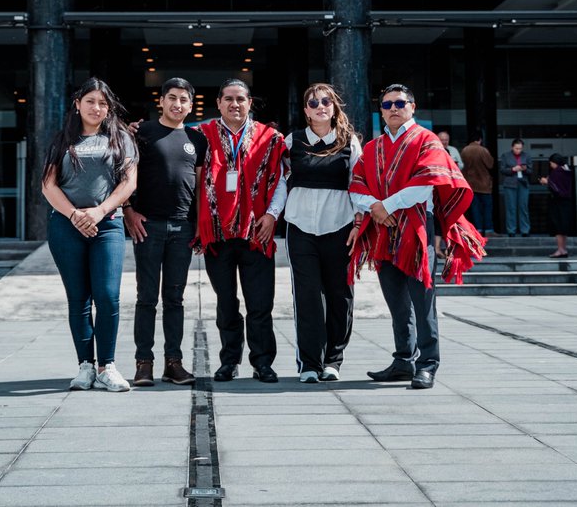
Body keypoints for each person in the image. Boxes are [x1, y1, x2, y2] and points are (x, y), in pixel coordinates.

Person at [349, 84, 485, 390]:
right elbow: (356, 185)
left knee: (423, 302)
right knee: (396, 303)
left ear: (413, 107)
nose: (393, 109)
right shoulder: (372, 147)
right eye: (387, 105)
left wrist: (384, 206)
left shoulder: (427, 140)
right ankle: (403, 361)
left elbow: (426, 184)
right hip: (383, 228)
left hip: (416, 227)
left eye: (400, 103)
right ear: (380, 111)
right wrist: (374, 207)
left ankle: (427, 364)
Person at [40, 78, 138, 392]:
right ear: (77, 104)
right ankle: (85, 366)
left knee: (107, 296)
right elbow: (48, 186)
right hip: (66, 226)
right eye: (90, 101)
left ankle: (107, 367)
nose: (96, 108)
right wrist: (75, 215)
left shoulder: (120, 138)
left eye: (102, 103)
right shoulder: (62, 140)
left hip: (107, 224)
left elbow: (129, 182)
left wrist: (99, 212)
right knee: (79, 298)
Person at [194, 79, 288, 383]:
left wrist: (272, 215)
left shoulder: (270, 138)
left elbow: (281, 179)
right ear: (218, 103)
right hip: (217, 233)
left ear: (250, 103)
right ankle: (229, 361)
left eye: (241, 99)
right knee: (226, 303)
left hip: (256, 232)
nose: (235, 104)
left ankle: (263, 362)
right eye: (229, 99)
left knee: (260, 303)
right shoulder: (201, 135)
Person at [124, 78, 206, 387]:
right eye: (171, 97)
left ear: (191, 105)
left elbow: (200, 187)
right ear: (161, 101)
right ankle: (143, 363)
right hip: (149, 227)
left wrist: (199, 225)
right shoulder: (141, 133)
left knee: (175, 298)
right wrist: (128, 211)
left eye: (183, 99)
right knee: (146, 298)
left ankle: (174, 363)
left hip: (182, 227)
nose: (177, 104)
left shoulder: (196, 139)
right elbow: (124, 175)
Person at [281, 83, 362, 384]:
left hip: (340, 227)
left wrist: (358, 223)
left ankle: (333, 360)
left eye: (326, 101)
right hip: (300, 227)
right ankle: (310, 363)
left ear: (334, 107)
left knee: (340, 295)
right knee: (307, 296)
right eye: (313, 103)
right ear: (306, 110)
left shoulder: (349, 141)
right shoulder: (292, 140)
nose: (320, 107)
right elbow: (278, 180)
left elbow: (359, 183)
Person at [540, 153, 574, 258]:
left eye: (551, 163)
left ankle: (560, 250)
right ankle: (563, 249)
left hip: (558, 202)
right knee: (564, 226)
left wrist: (547, 181)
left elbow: (555, 187)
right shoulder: (567, 170)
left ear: (555, 162)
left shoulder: (557, 172)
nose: (550, 165)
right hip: (567, 201)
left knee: (558, 226)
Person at [461, 133, 495, 236]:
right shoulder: (482, 150)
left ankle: (478, 229)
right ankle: (488, 230)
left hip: (470, 183)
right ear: (480, 140)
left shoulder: (465, 150)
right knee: (487, 208)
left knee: (475, 208)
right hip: (483, 184)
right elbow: (490, 164)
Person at [498, 139, 532, 237]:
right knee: (511, 208)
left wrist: (525, 169)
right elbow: (502, 170)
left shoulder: (526, 156)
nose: (518, 150)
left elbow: (530, 171)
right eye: (516, 148)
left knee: (523, 207)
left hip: (523, 183)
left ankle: (525, 230)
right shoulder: (505, 155)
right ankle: (511, 230)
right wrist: (513, 169)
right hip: (510, 184)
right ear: (512, 147)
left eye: (520, 148)